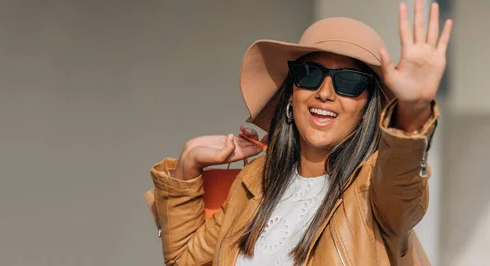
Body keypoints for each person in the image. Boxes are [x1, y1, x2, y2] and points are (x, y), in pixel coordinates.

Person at [147, 1, 452, 265]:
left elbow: (402, 180)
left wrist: (413, 109)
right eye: (310, 74)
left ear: (367, 105)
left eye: (349, 81)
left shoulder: (374, 190)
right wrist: (188, 165)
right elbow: (184, 260)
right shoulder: (255, 184)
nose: (325, 92)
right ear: (292, 91)